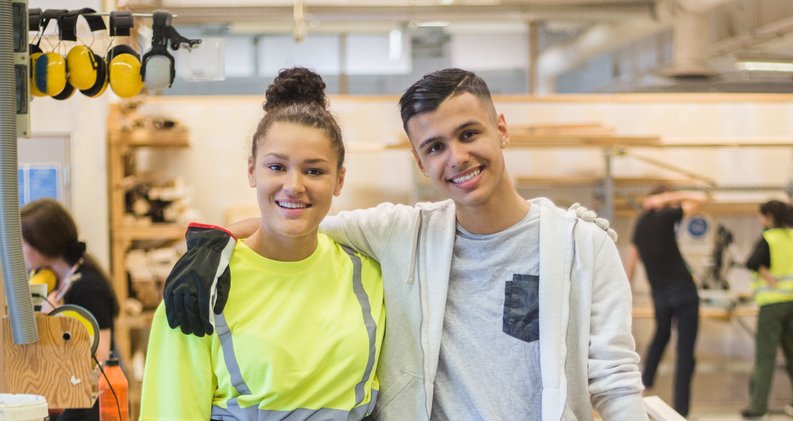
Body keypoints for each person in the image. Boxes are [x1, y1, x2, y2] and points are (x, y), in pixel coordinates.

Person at [163, 68, 648, 420]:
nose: (456, 158)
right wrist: (215, 245)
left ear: (501, 130)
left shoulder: (583, 247)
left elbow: (616, 382)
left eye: (469, 134)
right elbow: (297, 219)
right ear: (420, 163)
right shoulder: (404, 235)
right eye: (434, 147)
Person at [139, 67, 386, 420]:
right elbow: (171, 411)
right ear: (252, 170)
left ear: (339, 179)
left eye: (314, 170)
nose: (294, 185)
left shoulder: (370, 275)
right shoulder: (201, 288)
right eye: (277, 167)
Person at [21, 198, 120, 421]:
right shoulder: (56, 281)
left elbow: (101, 356)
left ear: (43, 242)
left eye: (24, 242)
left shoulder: (88, 286)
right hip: (65, 392)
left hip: (85, 401)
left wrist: (55, 320)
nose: (21, 249)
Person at [625, 186, 707, 417]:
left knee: (661, 336)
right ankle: (681, 410)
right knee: (685, 351)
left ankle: (642, 388)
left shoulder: (640, 225)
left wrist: (625, 297)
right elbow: (700, 198)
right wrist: (669, 198)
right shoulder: (665, 216)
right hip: (683, 290)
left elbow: (630, 266)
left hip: (659, 293)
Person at [741, 200, 793, 420]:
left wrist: (769, 278)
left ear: (770, 217)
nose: (760, 220)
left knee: (766, 356)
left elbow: (751, 263)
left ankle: (758, 408)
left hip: (771, 304)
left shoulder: (768, 239)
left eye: (762, 216)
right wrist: (791, 284)